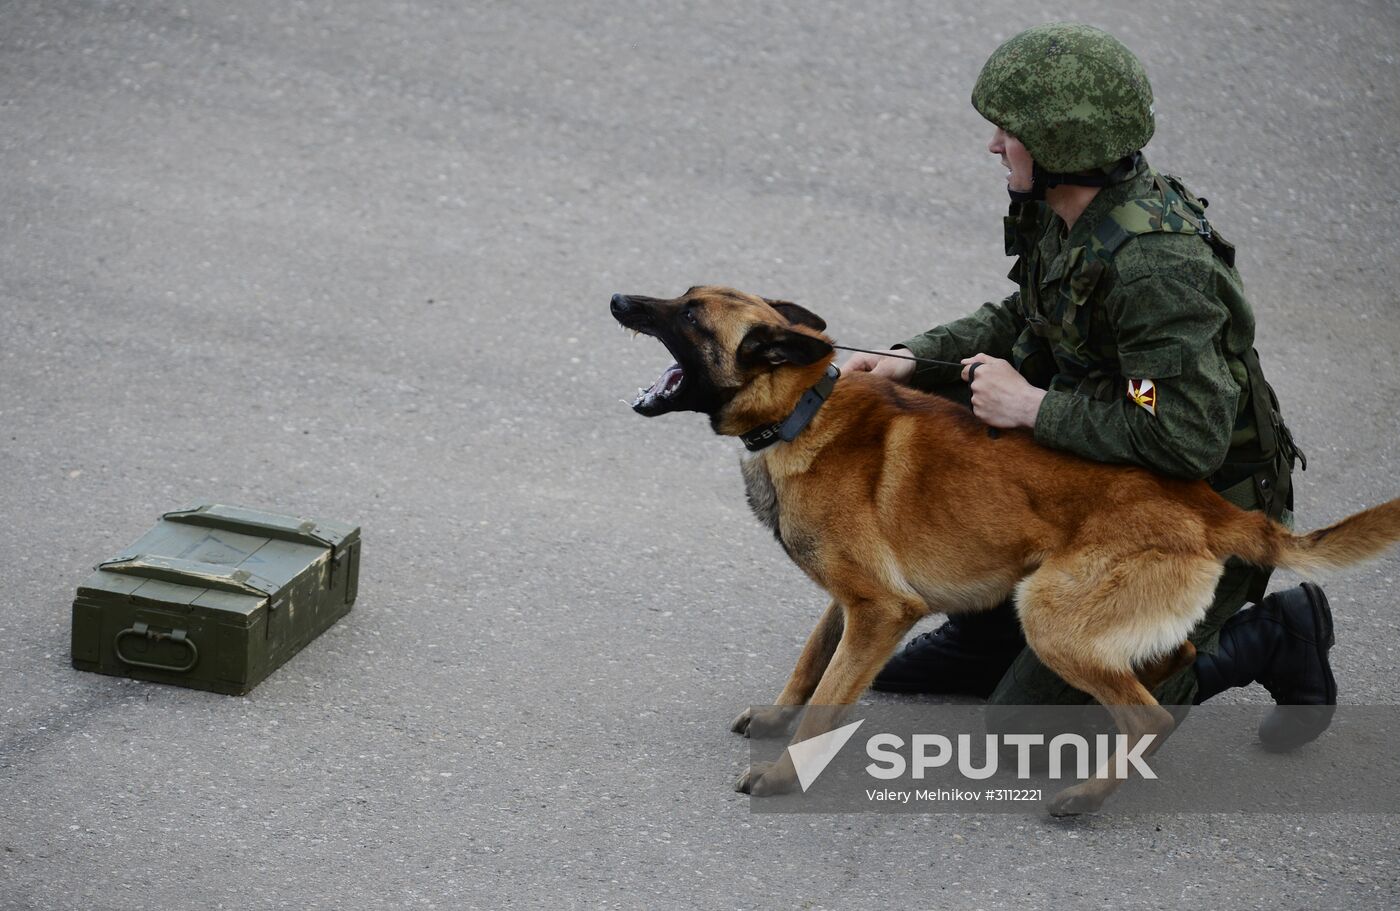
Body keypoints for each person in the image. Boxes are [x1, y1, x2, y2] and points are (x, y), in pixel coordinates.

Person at [845, 22, 1335, 750]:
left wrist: (1032, 406)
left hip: (1192, 512)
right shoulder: (1068, 207)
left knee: (1031, 734)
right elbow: (1027, 314)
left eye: (1007, 133)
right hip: (1108, 468)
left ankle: (1273, 637)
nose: (993, 146)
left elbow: (1185, 436)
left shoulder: (1155, 267)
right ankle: (989, 630)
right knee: (934, 421)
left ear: (1058, 150)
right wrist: (914, 358)